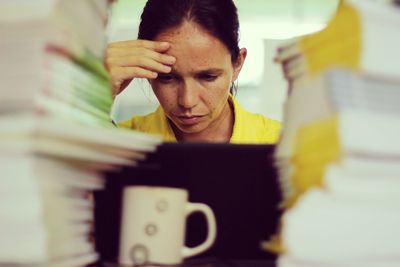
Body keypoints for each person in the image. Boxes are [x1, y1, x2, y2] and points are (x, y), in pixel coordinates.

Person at [105, 0, 281, 143]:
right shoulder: (118, 142)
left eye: (208, 77)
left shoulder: (282, 145)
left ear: (237, 64)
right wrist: (95, 94)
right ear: (145, 68)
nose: (187, 102)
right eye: (167, 78)